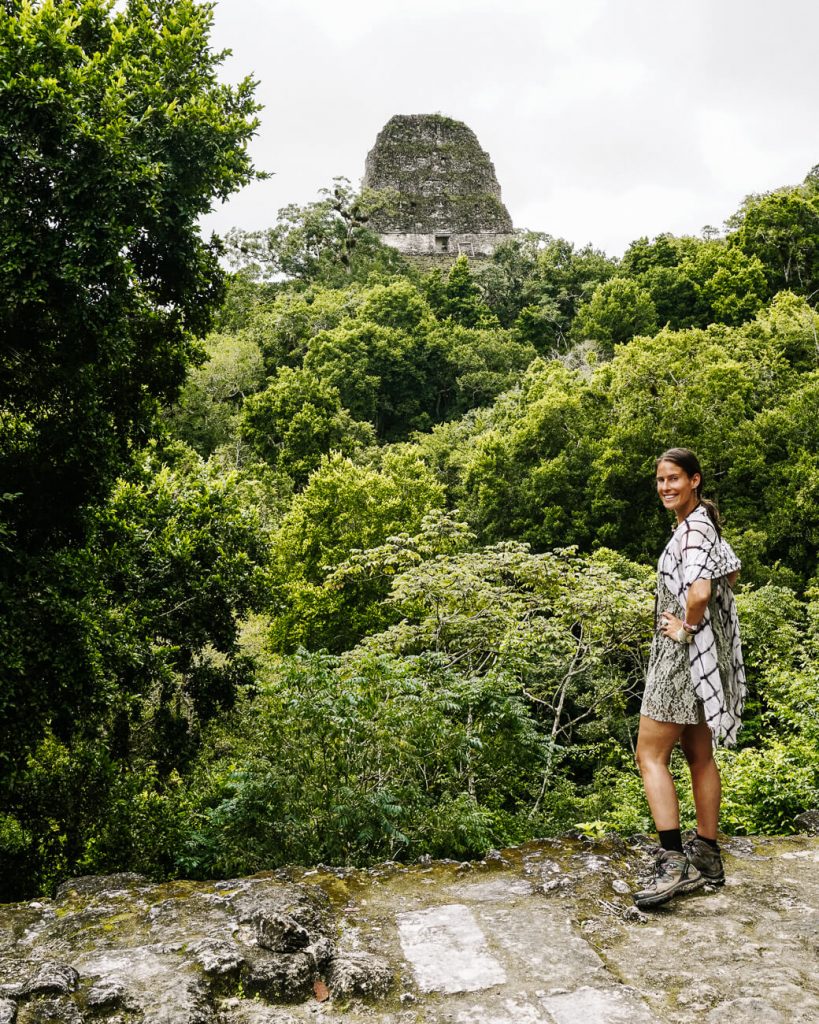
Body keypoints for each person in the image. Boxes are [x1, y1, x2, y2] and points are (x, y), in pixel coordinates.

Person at [633, 447, 746, 910]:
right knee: (699, 754)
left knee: (650, 754)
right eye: (660, 480)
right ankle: (707, 853)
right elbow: (732, 572)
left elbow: (699, 590)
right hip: (706, 656)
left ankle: (673, 860)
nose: (665, 487)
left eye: (674, 479)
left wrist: (686, 626)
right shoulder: (702, 523)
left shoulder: (692, 531)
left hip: (681, 656)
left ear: (694, 480)